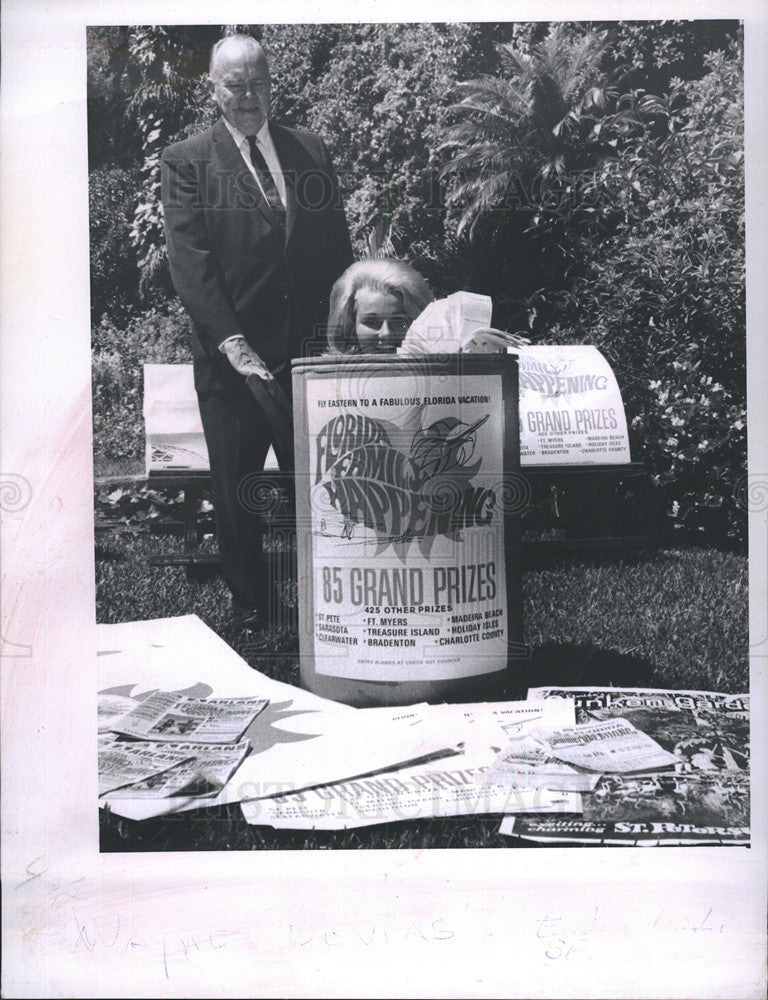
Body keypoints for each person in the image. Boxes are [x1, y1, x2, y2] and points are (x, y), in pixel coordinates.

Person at [161, 34, 353, 630]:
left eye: (258, 83)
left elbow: (335, 250)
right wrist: (232, 342)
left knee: (315, 487)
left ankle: (329, 602)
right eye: (234, 85)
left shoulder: (310, 150)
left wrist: (344, 333)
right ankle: (254, 609)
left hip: (306, 357)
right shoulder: (187, 161)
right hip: (232, 359)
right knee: (237, 490)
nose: (248, 97)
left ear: (273, 82)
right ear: (214, 88)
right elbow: (191, 264)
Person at [325, 258, 434, 355]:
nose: (386, 334)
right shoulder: (329, 377)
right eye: (372, 322)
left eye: (398, 321)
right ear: (350, 328)